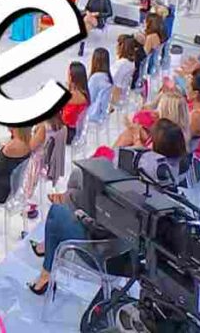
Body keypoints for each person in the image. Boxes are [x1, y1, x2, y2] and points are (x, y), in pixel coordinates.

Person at [27, 119, 188, 295]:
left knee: (57, 212)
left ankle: (46, 274)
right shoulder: (168, 181)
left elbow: (99, 217)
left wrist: (135, 143)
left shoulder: (133, 178)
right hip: (130, 253)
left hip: (106, 254)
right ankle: (49, 240)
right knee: (77, 183)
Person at [60, 62, 91, 144]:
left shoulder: (73, 96)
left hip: (68, 131)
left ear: (72, 77)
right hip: (74, 129)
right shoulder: (84, 93)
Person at [110, 35, 138, 106]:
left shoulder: (121, 64)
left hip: (114, 97)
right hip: (122, 95)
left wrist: (112, 105)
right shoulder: (131, 62)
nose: (116, 47)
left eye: (118, 44)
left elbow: (116, 85)